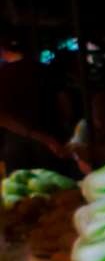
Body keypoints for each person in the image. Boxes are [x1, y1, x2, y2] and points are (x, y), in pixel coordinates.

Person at [0, 40, 67, 168]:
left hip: (17, 142)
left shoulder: (3, 75)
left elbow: (2, 118)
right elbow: (64, 102)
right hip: (52, 137)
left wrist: (32, 134)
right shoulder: (44, 70)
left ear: (3, 50)